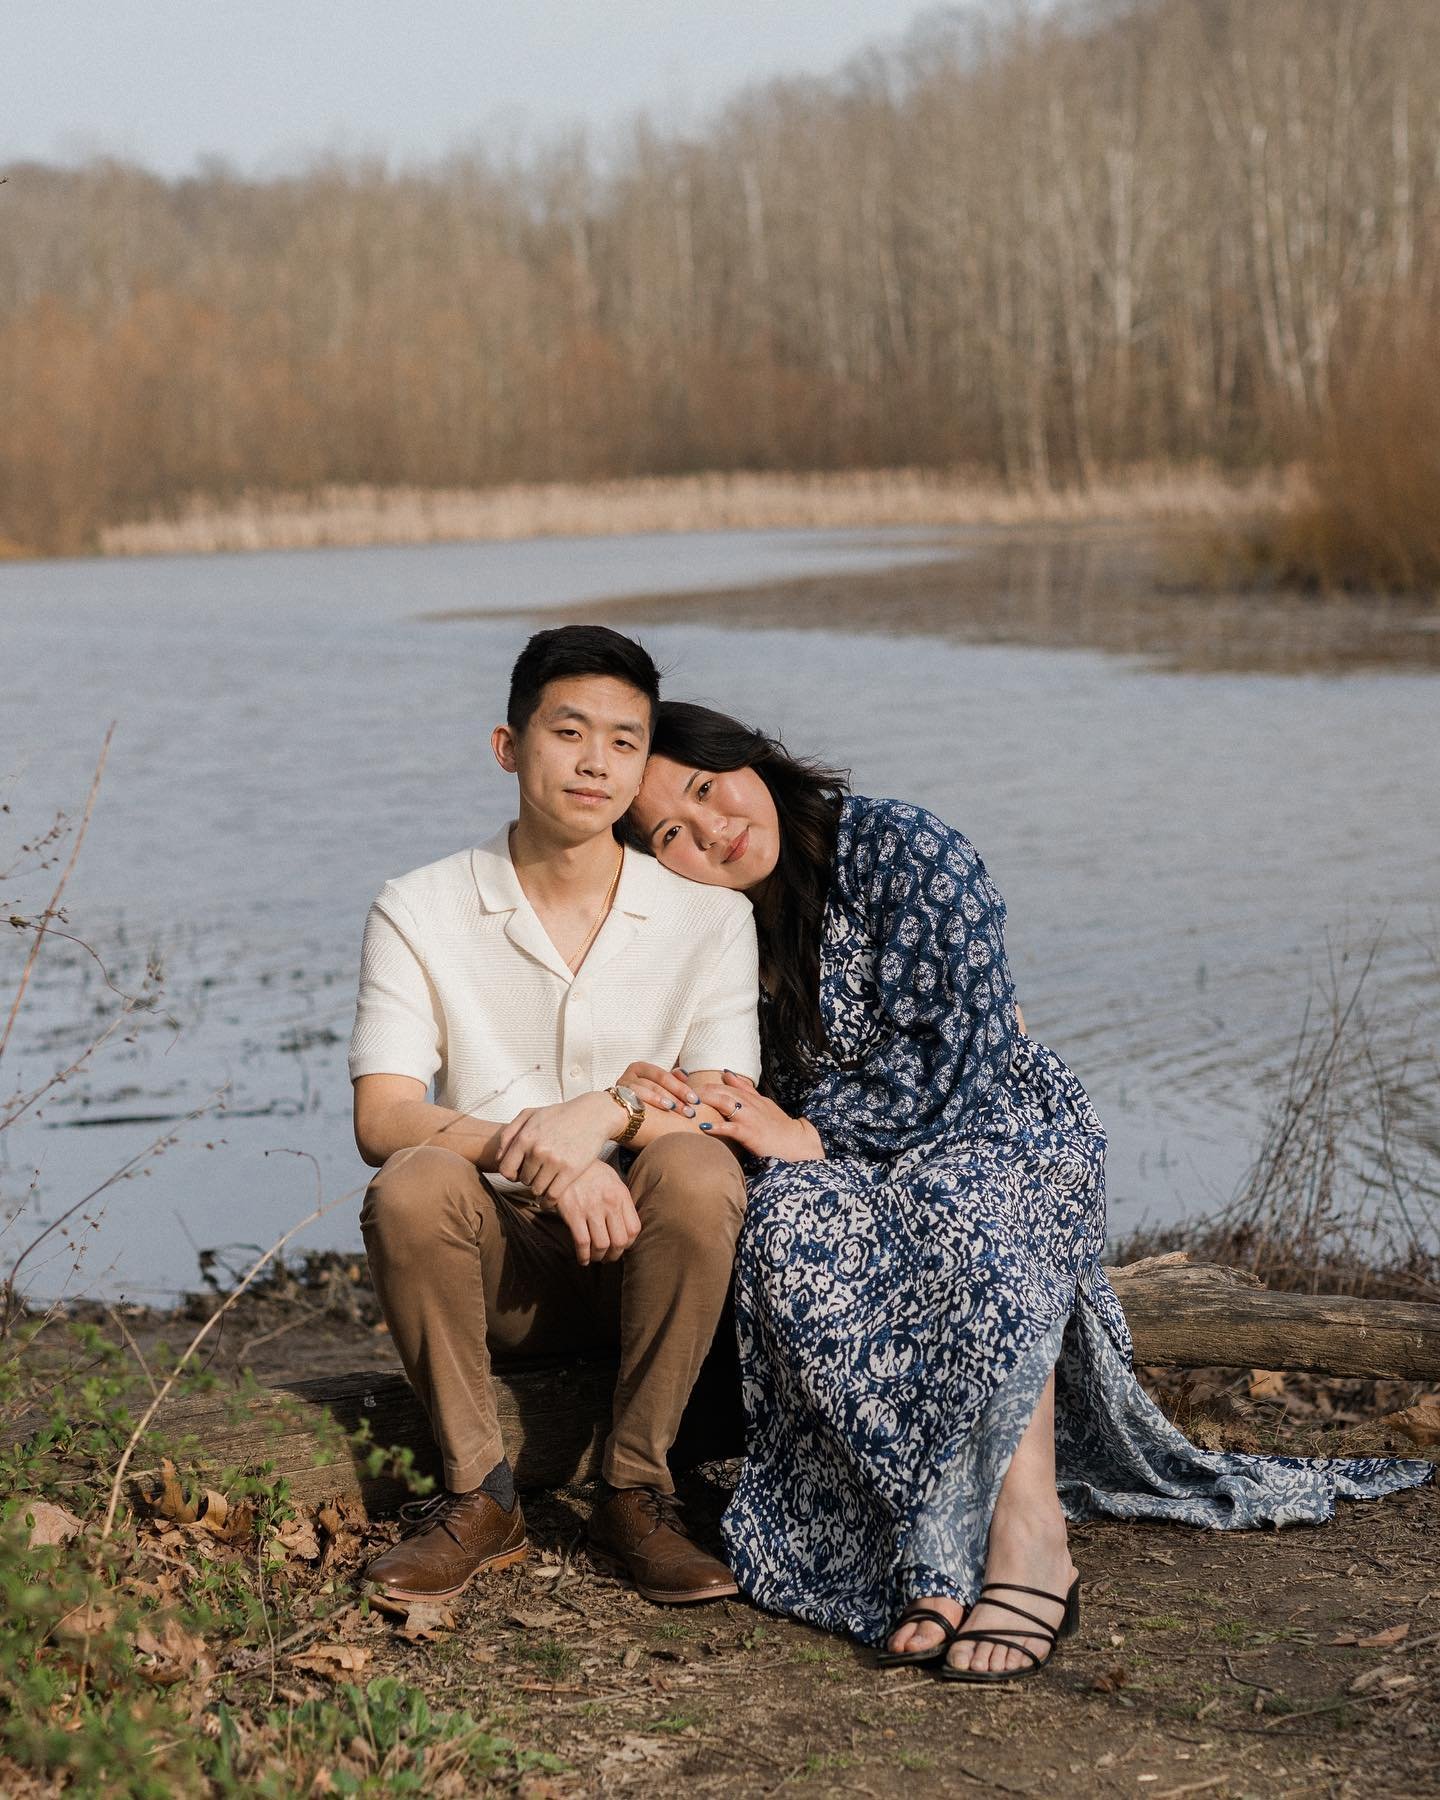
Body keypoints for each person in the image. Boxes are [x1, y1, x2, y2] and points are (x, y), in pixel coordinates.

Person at [623, 701, 1433, 1683]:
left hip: (996, 1122)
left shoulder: (898, 844)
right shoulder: (708, 931)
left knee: (970, 1213)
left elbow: (966, 1045)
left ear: (747, 758)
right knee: (788, 1224)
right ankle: (932, 1538)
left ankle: (1027, 1539)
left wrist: (813, 1132)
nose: (710, 831)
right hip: (850, 1162)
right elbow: (718, 1086)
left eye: (706, 789)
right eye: (672, 831)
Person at [349, 629, 763, 1609]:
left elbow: (718, 1108)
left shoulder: (709, 918)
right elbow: (382, 1114)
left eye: (624, 741)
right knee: (410, 1182)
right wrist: (542, 1157)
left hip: (649, 1260)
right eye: (568, 732)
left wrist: (611, 1116)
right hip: (506, 1269)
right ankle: (479, 1498)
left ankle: (636, 1491)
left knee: (701, 1171)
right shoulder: (419, 907)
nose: (595, 761)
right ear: (508, 746)